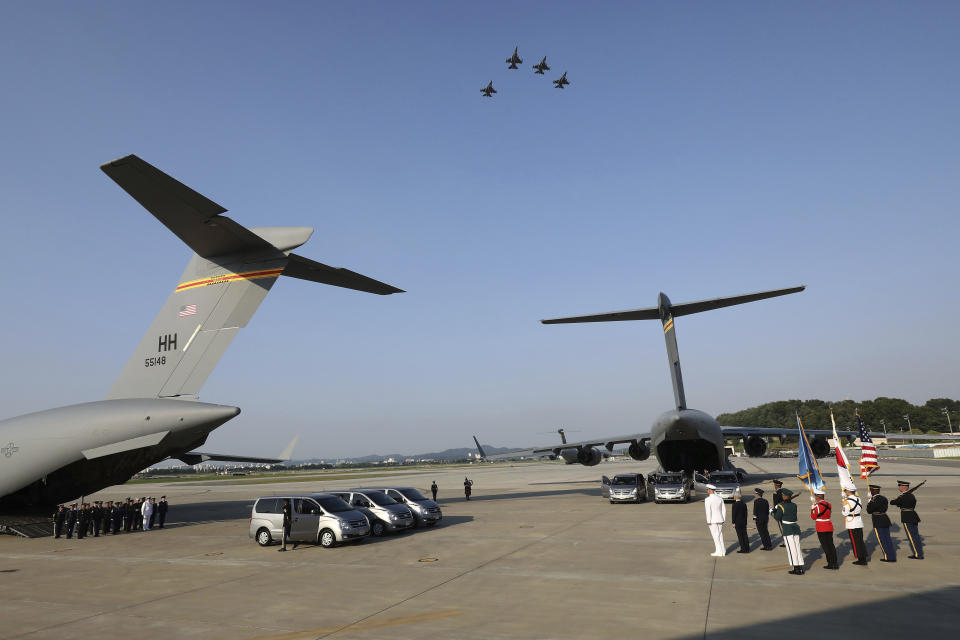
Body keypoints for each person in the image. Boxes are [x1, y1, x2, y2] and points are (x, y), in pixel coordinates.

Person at [773, 488, 804, 574]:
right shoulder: (794, 505)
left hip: (787, 528)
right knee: (797, 548)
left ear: (786, 496)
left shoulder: (781, 506)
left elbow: (777, 518)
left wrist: (772, 512)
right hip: (795, 527)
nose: (782, 496)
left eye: (783, 495)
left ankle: (796, 569)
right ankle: (800, 567)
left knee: (791, 549)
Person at [890, 480, 923, 559]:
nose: (899, 487)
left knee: (912, 537)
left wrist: (898, 499)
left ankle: (918, 554)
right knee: (916, 536)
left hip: (907, 517)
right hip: (913, 516)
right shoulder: (911, 496)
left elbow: (892, 502)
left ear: (902, 487)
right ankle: (919, 552)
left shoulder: (903, 497)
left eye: (900, 486)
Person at [867, 484, 896, 562]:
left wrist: (869, 502)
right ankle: (892, 556)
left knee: (882, 539)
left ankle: (888, 557)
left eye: (871, 490)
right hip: (885, 519)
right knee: (887, 539)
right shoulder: (884, 498)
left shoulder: (874, 499)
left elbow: (869, 510)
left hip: (878, 520)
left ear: (873, 491)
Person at [811, 489, 839, 570]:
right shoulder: (828, 504)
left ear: (818, 496)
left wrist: (813, 509)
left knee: (826, 546)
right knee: (831, 545)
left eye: (816, 495)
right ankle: (835, 563)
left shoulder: (817, 506)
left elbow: (813, 517)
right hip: (829, 526)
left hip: (821, 527)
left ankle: (830, 563)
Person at [841, 487, 868, 566]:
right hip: (858, 521)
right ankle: (863, 557)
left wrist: (844, 504)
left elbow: (844, 513)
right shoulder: (858, 499)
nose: (845, 492)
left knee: (855, 542)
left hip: (852, 523)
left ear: (848, 491)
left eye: (845, 491)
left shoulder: (847, 501)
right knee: (860, 541)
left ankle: (860, 559)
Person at [703, 484, 726, 557]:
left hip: (713, 520)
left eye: (708, 489)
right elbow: (724, 510)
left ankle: (719, 551)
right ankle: (723, 551)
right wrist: (723, 519)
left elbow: (708, 511)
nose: (707, 491)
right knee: (720, 535)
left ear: (710, 490)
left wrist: (708, 521)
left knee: (715, 536)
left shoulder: (708, 499)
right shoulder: (720, 498)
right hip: (720, 519)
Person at [772, 480, 785, 547]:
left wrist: (775, 513)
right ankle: (786, 541)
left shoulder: (776, 493)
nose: (774, 486)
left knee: (783, 527)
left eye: (775, 485)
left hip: (779, 512)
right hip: (785, 512)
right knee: (784, 527)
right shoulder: (783, 492)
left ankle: (786, 541)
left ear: (777, 486)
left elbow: (776, 504)